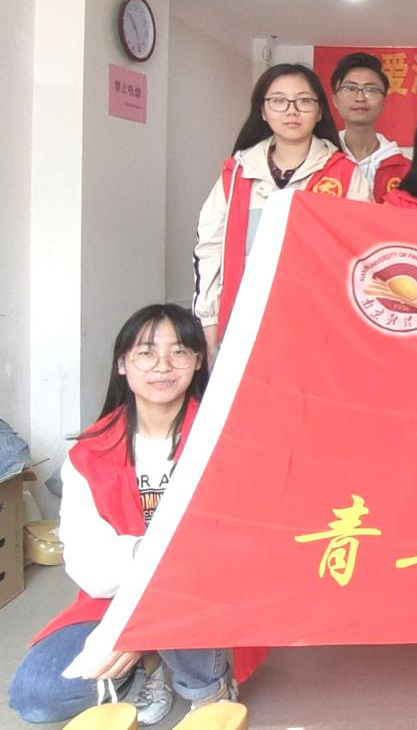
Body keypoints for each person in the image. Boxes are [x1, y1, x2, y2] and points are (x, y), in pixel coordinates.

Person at [7, 305, 243, 726]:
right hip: (115, 600)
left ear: (197, 361)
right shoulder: (89, 455)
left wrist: (140, 621)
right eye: (146, 352)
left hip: (201, 598)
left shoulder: (226, 440)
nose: (163, 365)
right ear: (122, 364)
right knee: (36, 695)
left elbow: (227, 549)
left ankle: (209, 690)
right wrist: (131, 624)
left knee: (189, 577)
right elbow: (90, 567)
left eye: (179, 352)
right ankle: (148, 667)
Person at [192, 63, 371, 362]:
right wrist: (208, 321)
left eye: (304, 101)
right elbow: (209, 249)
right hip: (243, 323)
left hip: (319, 328)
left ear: (319, 111)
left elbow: (361, 256)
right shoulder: (236, 174)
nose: (291, 111)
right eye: (278, 101)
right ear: (263, 111)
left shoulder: (345, 175)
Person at [329, 52, 411, 202]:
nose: (360, 98)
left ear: (384, 102)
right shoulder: (321, 160)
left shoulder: (406, 170)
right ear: (335, 100)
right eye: (350, 89)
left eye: (371, 90)